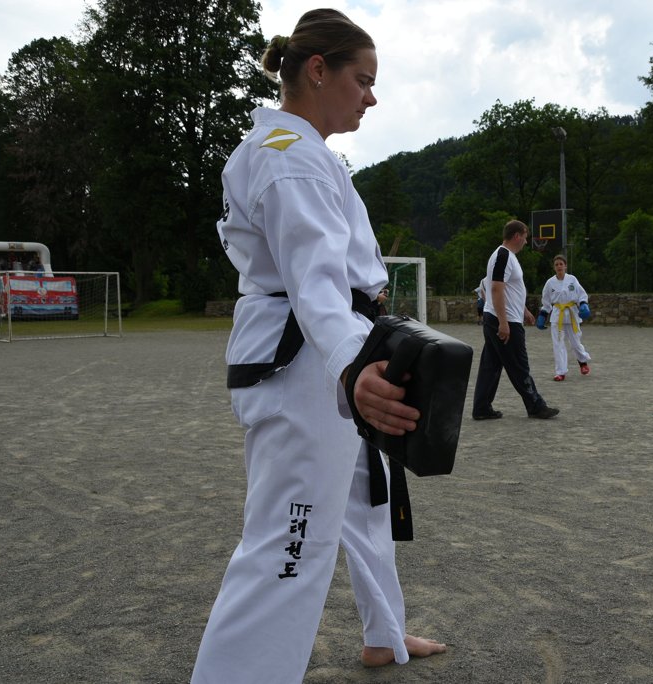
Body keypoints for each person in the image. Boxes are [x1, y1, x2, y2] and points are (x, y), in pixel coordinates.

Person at [191, 10, 444, 683]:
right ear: (317, 70)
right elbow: (315, 283)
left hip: (325, 351)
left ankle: (383, 634)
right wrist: (355, 366)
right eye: (363, 80)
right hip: (311, 361)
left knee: (366, 501)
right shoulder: (290, 159)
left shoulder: (292, 150)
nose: (371, 97)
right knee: (288, 547)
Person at [472, 220, 560, 420]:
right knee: (519, 365)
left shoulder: (505, 256)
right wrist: (503, 323)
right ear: (517, 236)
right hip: (504, 320)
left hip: (500, 317)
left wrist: (525, 310)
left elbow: (510, 290)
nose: (527, 242)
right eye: (525, 237)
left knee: (490, 366)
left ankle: (481, 408)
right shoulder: (503, 255)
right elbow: (496, 288)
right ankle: (536, 406)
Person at [536, 254, 592, 381]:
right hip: (557, 315)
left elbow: (581, 294)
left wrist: (583, 304)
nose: (559, 266)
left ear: (565, 266)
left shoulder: (572, 279)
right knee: (558, 344)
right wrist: (543, 315)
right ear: (554, 267)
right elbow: (546, 301)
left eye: (561, 264)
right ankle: (560, 372)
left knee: (575, 343)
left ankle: (582, 362)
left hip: (572, 314)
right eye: (556, 264)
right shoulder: (550, 283)